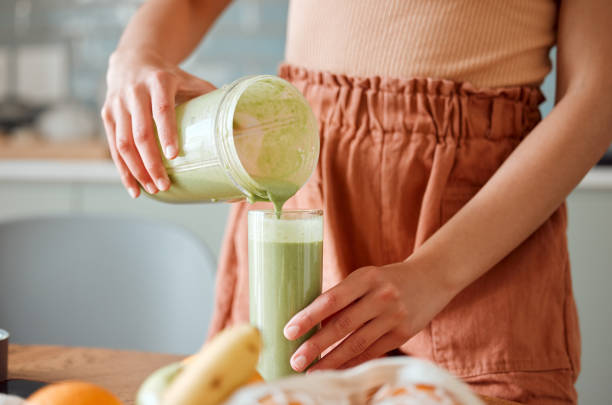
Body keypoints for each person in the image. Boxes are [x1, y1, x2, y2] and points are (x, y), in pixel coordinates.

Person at [101, 1, 612, 403]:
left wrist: (435, 273)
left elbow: (596, 98)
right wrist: (134, 55)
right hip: (303, 177)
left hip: (476, 239)